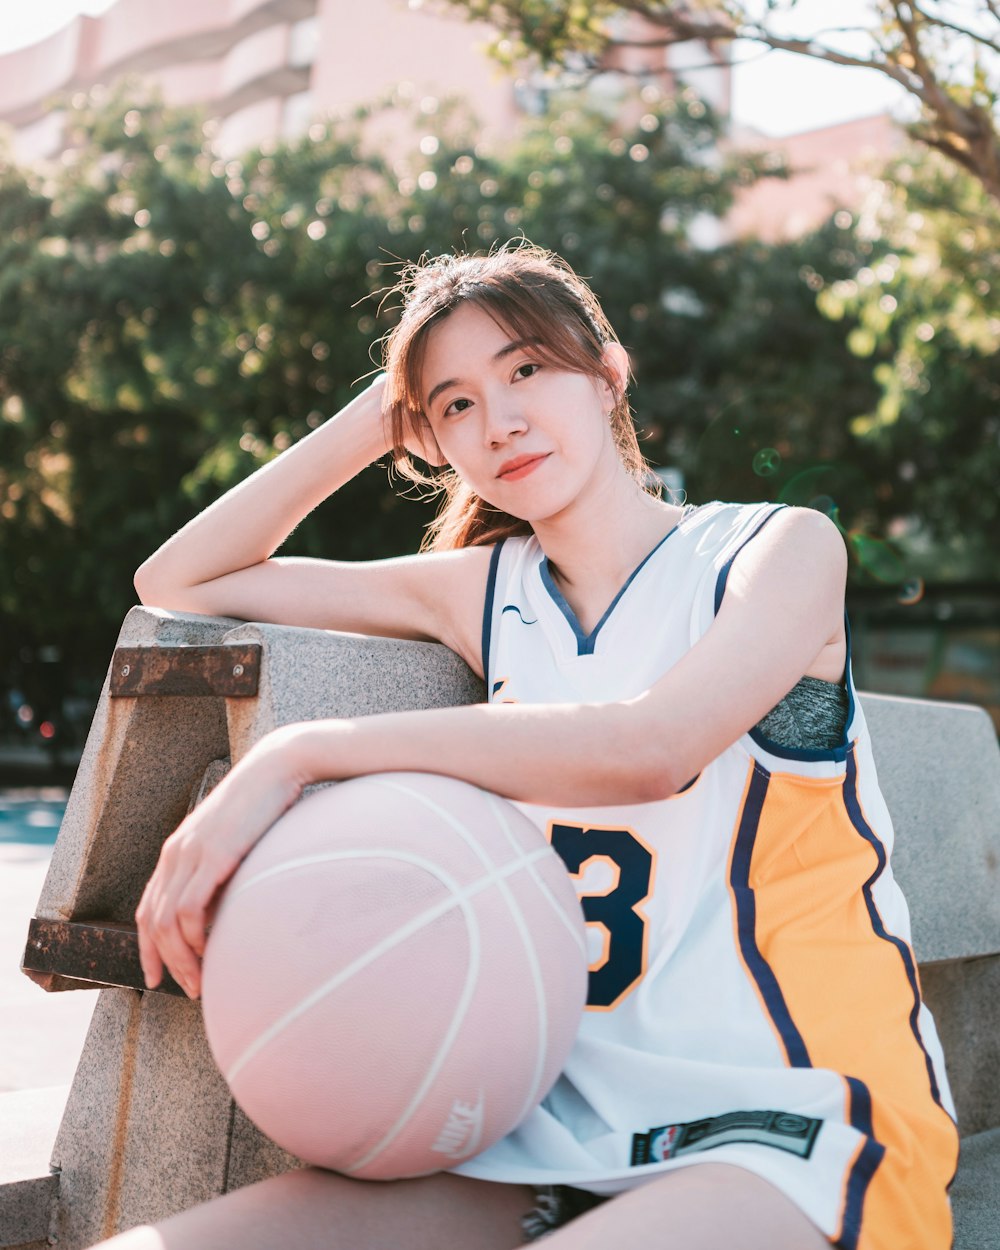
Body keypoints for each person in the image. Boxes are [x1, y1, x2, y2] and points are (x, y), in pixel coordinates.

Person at [104, 241, 956, 1250]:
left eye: (525, 370)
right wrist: (375, 418)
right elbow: (178, 580)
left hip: (792, 1117)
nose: (498, 421)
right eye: (455, 404)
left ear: (608, 374)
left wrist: (306, 752)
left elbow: (654, 745)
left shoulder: (775, 549)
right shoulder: (484, 591)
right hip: (551, 1128)